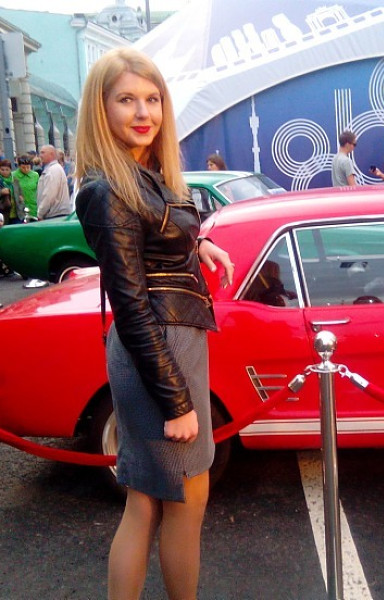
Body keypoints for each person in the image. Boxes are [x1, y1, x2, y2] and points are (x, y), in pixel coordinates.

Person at [74, 47, 234, 600]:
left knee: (147, 499)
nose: (144, 112)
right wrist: (177, 401)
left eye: (153, 98)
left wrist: (198, 243)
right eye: (126, 99)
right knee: (183, 497)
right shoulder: (106, 189)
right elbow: (131, 304)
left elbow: (156, 235)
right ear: (101, 108)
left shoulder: (142, 173)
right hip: (157, 351)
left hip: (168, 344)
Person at [37, 145, 71, 220]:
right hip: (56, 213)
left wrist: (40, 213)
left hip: (55, 215)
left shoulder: (53, 170)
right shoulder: (53, 169)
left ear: (51, 154)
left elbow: (49, 195)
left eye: (43, 152)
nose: (40, 155)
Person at [12, 155, 39, 220]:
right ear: (19, 166)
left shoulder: (35, 175)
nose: (26, 169)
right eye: (23, 167)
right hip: (19, 207)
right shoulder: (13, 175)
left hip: (34, 206)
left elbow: (39, 190)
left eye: (28, 167)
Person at [0, 159, 20, 224]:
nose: (4, 172)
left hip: (16, 212)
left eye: (7, 169)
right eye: (2, 169)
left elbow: (20, 192)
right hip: (3, 211)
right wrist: (1, 192)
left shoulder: (15, 180)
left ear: (10, 170)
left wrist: (20, 197)